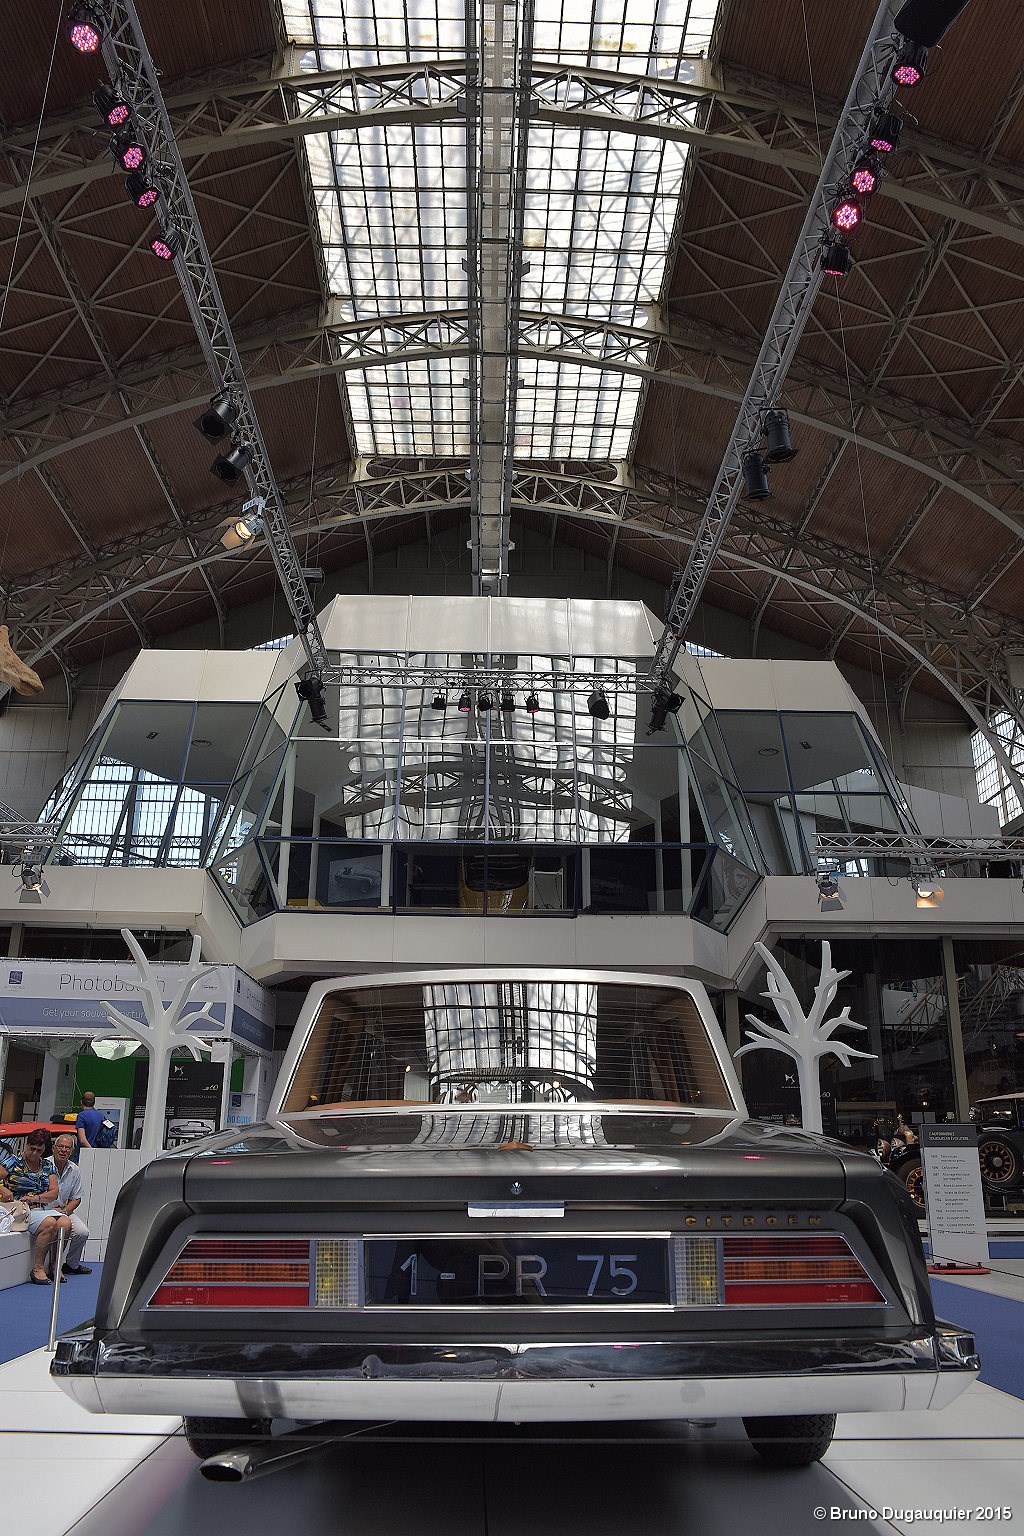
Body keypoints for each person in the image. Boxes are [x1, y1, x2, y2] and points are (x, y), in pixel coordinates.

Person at [0, 1130, 72, 1284]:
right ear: (26, 1145)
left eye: (39, 1150)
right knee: (49, 1223)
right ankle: (38, 1268)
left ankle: (55, 1265)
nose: (34, 1153)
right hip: (19, 1209)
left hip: (41, 1208)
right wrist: (3, 1189)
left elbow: (54, 1193)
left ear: (44, 1150)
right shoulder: (13, 1161)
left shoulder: (47, 1165)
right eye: (31, 1148)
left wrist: (35, 1198)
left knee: (65, 1223)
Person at [43, 1134, 92, 1275]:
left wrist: (65, 1210)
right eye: (60, 1146)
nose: (63, 1150)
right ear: (53, 1148)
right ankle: (51, 1266)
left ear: (72, 1152)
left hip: (62, 1210)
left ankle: (71, 1265)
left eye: (67, 1148)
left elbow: (77, 1198)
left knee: (82, 1232)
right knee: (58, 1227)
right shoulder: (43, 1165)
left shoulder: (74, 1169)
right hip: (43, 1210)